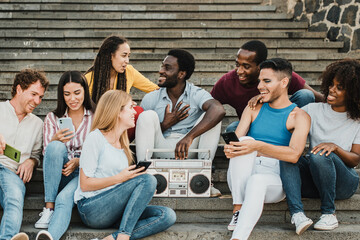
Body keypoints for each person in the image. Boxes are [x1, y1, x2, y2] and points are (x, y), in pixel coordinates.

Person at [224, 58, 310, 240]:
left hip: (274, 179)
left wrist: (257, 146)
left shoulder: (299, 116)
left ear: (284, 82)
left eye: (267, 81)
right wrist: (230, 150)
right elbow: (237, 143)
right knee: (243, 141)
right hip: (241, 175)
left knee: (257, 180)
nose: (260, 86)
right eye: (260, 81)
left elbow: (294, 155)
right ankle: (238, 207)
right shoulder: (253, 108)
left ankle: (238, 238)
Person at [74, 90, 176, 240]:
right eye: (130, 107)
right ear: (117, 112)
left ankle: (113, 238)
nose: (135, 112)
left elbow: (118, 184)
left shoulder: (123, 144)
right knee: (148, 180)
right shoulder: (95, 138)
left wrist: (129, 178)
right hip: (92, 208)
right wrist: (120, 178)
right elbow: (85, 184)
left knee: (167, 215)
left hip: (114, 208)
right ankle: (123, 236)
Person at [280, 59, 360, 235]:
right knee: (287, 156)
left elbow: (355, 159)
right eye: (331, 84)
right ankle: (298, 214)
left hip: (343, 182)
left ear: (354, 93)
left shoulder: (357, 121)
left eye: (340, 87)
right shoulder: (311, 110)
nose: (332, 90)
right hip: (313, 180)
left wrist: (336, 148)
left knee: (321, 154)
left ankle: (328, 213)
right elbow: (281, 119)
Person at [135, 49, 225, 196]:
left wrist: (189, 137)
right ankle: (143, 178)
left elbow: (219, 110)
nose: (161, 71)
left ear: (181, 74)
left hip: (189, 149)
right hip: (160, 148)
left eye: (167, 68)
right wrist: (165, 124)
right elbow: (143, 131)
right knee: (146, 116)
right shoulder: (151, 98)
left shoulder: (197, 94)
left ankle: (206, 177)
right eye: (162, 66)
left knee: (213, 116)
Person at [211, 40, 323, 133]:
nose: (239, 71)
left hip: (282, 122)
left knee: (306, 95)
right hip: (253, 126)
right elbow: (208, 103)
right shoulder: (227, 81)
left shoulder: (279, 74)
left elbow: (316, 97)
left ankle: (294, 135)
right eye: (237, 65)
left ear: (260, 66)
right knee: (231, 129)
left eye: (246, 66)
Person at [34, 71, 94, 240]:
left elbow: (101, 151)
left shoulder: (95, 116)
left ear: (85, 91)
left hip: (84, 175)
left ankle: (49, 237)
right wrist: (54, 140)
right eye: (67, 94)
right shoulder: (53, 118)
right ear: (61, 95)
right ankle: (48, 208)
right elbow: (48, 154)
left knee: (64, 198)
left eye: (77, 93)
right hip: (60, 175)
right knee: (54, 147)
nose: (72, 99)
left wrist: (79, 161)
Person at [0, 69, 49, 240]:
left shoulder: (37, 124)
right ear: (19, 89)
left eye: (41, 97)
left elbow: (36, 154)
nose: (37, 101)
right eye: (34, 94)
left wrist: (32, 162)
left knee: (14, 198)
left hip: (12, 173)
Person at [85, 35, 159, 141]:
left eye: (128, 56)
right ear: (111, 56)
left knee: (137, 111)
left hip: (120, 129)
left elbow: (155, 90)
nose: (127, 60)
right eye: (124, 55)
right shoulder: (89, 79)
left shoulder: (129, 72)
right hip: (98, 127)